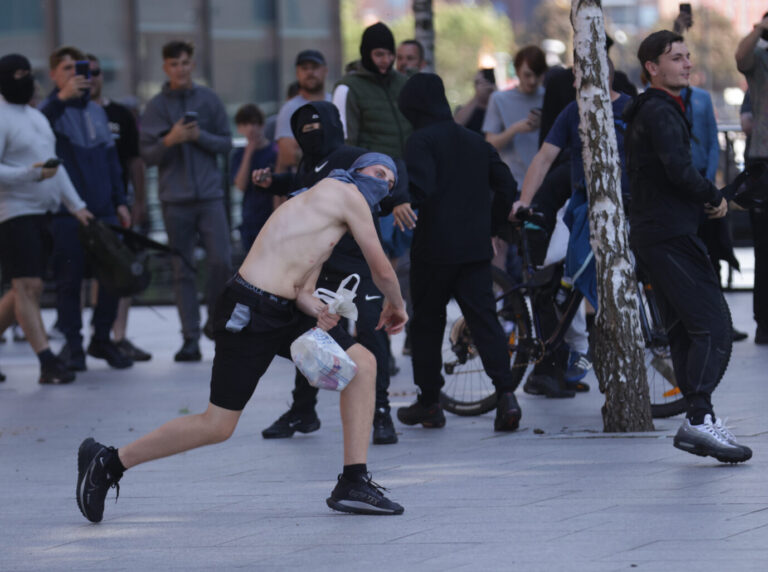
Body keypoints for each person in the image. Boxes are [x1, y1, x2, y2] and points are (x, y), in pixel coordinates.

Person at [74, 153, 408, 523]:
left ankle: (353, 481)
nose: (383, 184)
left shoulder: (320, 212)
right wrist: (396, 306)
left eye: (390, 184)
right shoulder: (344, 192)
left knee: (363, 363)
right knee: (218, 425)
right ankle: (109, 462)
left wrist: (319, 311)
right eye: (379, 173)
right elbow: (381, 268)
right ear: (357, 171)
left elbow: (302, 289)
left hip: (284, 311)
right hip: (248, 309)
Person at [624, 30, 751, 463]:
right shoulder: (659, 111)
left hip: (664, 231)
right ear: (652, 69)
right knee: (712, 326)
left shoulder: (661, 108)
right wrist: (713, 197)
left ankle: (701, 419)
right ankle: (698, 420)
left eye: (687, 56)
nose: (686, 63)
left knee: (683, 329)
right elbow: (679, 170)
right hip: (666, 236)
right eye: (675, 58)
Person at [254, 101, 405, 445]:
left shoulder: (352, 157)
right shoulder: (314, 165)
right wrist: (272, 183)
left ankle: (381, 413)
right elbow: (301, 185)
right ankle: (303, 411)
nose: (313, 134)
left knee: (373, 333)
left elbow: (389, 168)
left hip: (361, 269)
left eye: (318, 127)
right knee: (311, 339)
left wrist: (399, 199)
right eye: (304, 129)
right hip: (322, 269)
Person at [394, 72, 522, 432]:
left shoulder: (420, 141)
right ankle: (506, 396)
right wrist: (493, 225)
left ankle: (430, 403)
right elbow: (506, 184)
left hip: (433, 251)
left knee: (428, 326)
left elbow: (420, 187)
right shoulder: (475, 141)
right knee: (484, 321)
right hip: (474, 250)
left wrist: (398, 199)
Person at [513, 59, 632, 397]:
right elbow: (544, 158)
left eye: (581, 76)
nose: (576, 83)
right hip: (581, 207)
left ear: (605, 76)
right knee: (558, 269)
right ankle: (572, 351)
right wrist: (523, 201)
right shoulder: (571, 112)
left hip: (626, 207)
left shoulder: (630, 108)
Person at [0, 53, 92, 384]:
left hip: (46, 212)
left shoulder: (35, 117)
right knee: (28, 286)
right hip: (13, 212)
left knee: (23, 290)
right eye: (15, 73)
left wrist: (77, 205)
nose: (23, 78)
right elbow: (32, 170)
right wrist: (30, 174)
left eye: (27, 71)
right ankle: (46, 361)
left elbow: (54, 166)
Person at [39, 46, 132, 372]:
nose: (79, 76)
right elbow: (40, 129)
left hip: (103, 210)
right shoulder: (48, 111)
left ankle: (102, 339)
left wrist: (121, 200)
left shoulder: (97, 112)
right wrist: (62, 98)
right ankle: (74, 346)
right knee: (69, 282)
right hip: (66, 213)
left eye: (83, 71)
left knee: (112, 276)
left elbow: (112, 162)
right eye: (67, 69)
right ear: (54, 74)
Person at [140, 40, 233, 362]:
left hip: (209, 197)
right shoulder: (154, 107)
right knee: (183, 271)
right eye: (173, 64)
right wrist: (170, 140)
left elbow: (225, 144)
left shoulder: (209, 100)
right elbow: (147, 155)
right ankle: (190, 338)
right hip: (174, 199)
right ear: (165, 68)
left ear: (192, 64)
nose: (180, 69)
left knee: (222, 260)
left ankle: (215, 323)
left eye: (184, 62)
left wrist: (198, 137)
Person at [86, 53, 152, 363]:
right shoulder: (65, 114)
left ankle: (117, 336)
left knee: (119, 270)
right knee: (85, 276)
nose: (91, 77)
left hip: (116, 207)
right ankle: (86, 338)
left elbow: (134, 161)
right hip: (79, 207)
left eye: (96, 72)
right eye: (85, 72)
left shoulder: (120, 115)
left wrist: (138, 201)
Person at [736, 13, 768, 344]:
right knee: (764, 247)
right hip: (764, 160)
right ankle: (765, 322)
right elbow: (739, 57)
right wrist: (760, 27)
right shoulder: (759, 59)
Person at [483, 45, 547, 185]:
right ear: (517, 71)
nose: (532, 81)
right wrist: (515, 129)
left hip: (543, 182)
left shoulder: (548, 97)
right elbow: (490, 145)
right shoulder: (499, 99)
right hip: (513, 181)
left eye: (537, 75)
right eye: (527, 75)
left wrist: (544, 123)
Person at [274, 50, 330, 176]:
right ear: (297, 73)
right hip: (304, 183)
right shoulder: (289, 109)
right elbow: (288, 155)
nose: (310, 72)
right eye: (304, 68)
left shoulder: (335, 103)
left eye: (315, 67)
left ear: (325, 71)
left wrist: (303, 146)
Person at [230, 103, 276, 251]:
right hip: (250, 220)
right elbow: (240, 185)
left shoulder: (275, 151)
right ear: (239, 128)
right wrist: (249, 151)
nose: (251, 128)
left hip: (271, 217)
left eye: (255, 123)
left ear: (262, 125)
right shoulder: (239, 155)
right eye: (246, 124)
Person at [454, 69, 496, 134]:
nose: (483, 85)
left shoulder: (498, 107)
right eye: (478, 82)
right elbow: (456, 125)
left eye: (487, 81)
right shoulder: (467, 109)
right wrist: (477, 97)